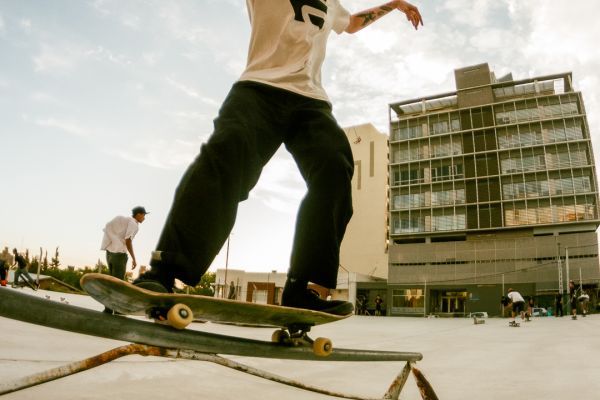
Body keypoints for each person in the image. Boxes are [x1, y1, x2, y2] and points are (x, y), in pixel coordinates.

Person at [134, 1, 423, 316]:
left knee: (334, 166)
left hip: (311, 102)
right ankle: (164, 273)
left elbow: (351, 24)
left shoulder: (331, 2)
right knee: (226, 154)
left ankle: (304, 287)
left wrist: (393, 5)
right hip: (258, 90)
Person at [101, 206, 148, 312]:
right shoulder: (134, 224)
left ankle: (108, 309)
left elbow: (108, 228)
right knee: (118, 284)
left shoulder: (123, 221)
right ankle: (116, 310)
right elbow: (128, 240)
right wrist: (133, 258)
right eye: (144, 215)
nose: (144, 218)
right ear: (138, 214)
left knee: (111, 282)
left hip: (110, 254)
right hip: (120, 255)